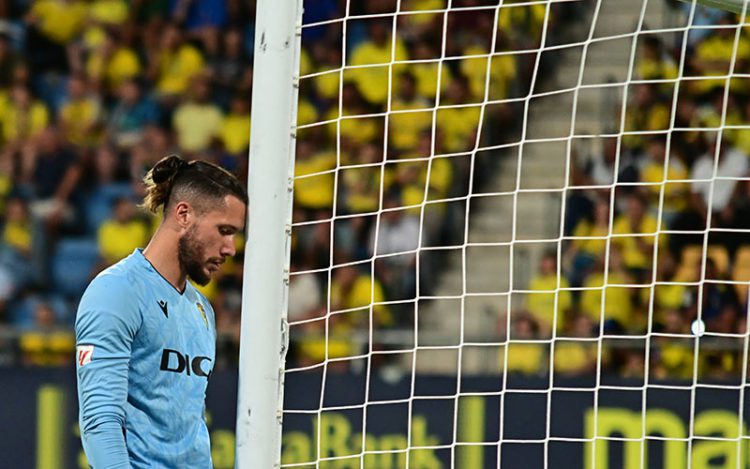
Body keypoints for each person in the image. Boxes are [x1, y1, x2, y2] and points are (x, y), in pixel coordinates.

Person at [75, 154, 247, 467]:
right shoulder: (116, 291)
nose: (231, 248)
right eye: (224, 230)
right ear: (184, 214)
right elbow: (100, 422)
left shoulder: (202, 309)